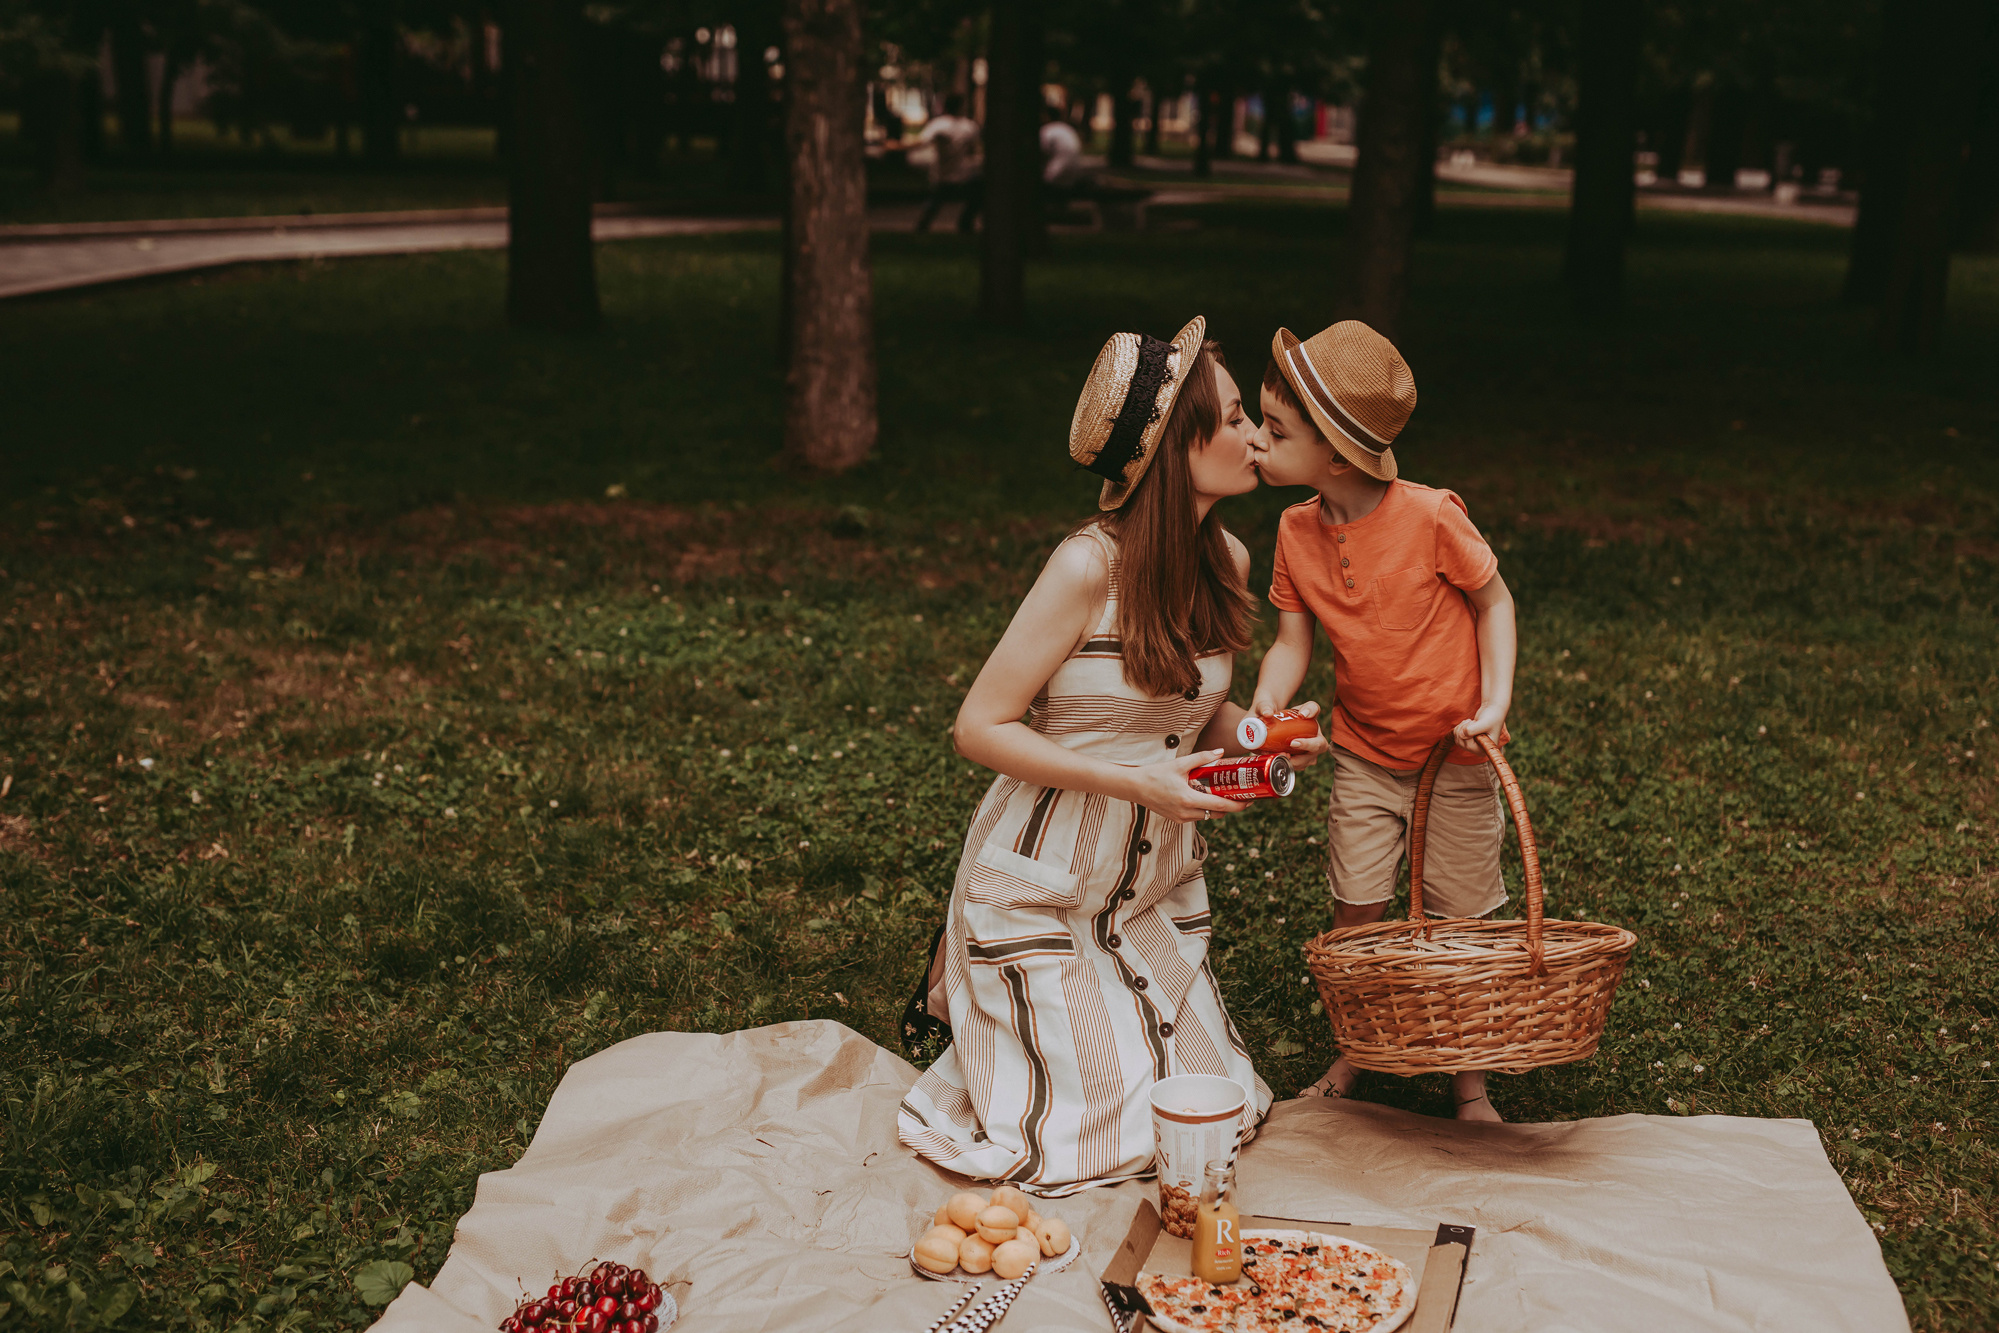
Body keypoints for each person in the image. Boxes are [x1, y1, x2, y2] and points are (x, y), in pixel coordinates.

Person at [897, 317, 1291, 1196]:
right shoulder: (1085, 567)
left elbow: (1193, 711)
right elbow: (978, 727)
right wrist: (1135, 781)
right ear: (1177, 446)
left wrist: (1262, 736)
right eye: (1233, 418)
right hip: (1039, 883)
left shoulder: (1225, 557)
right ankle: (969, 988)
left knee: (1214, 1111)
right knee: (1101, 1145)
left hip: (1145, 889)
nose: (1256, 435)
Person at [1247, 320, 1517, 1123]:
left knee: (1459, 922)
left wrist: (1493, 703)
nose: (1256, 440)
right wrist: (1269, 696)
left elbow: (1494, 602)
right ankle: (1359, 1049)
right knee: (1356, 911)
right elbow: (1291, 639)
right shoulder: (1294, 529)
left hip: (1453, 759)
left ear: (1335, 456)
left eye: (1275, 431)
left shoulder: (1431, 515)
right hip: (1364, 755)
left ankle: (1468, 1082)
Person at [914, 95, 984, 234]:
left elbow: (921, 142)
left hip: (944, 174)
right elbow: (974, 149)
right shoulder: (969, 126)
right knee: (976, 196)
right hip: (963, 175)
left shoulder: (939, 124)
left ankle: (922, 228)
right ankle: (965, 224)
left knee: (934, 203)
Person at [1039, 105, 1089, 213]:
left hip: (1055, 175)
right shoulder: (1067, 128)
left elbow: (1041, 153)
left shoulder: (1047, 130)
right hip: (1073, 174)